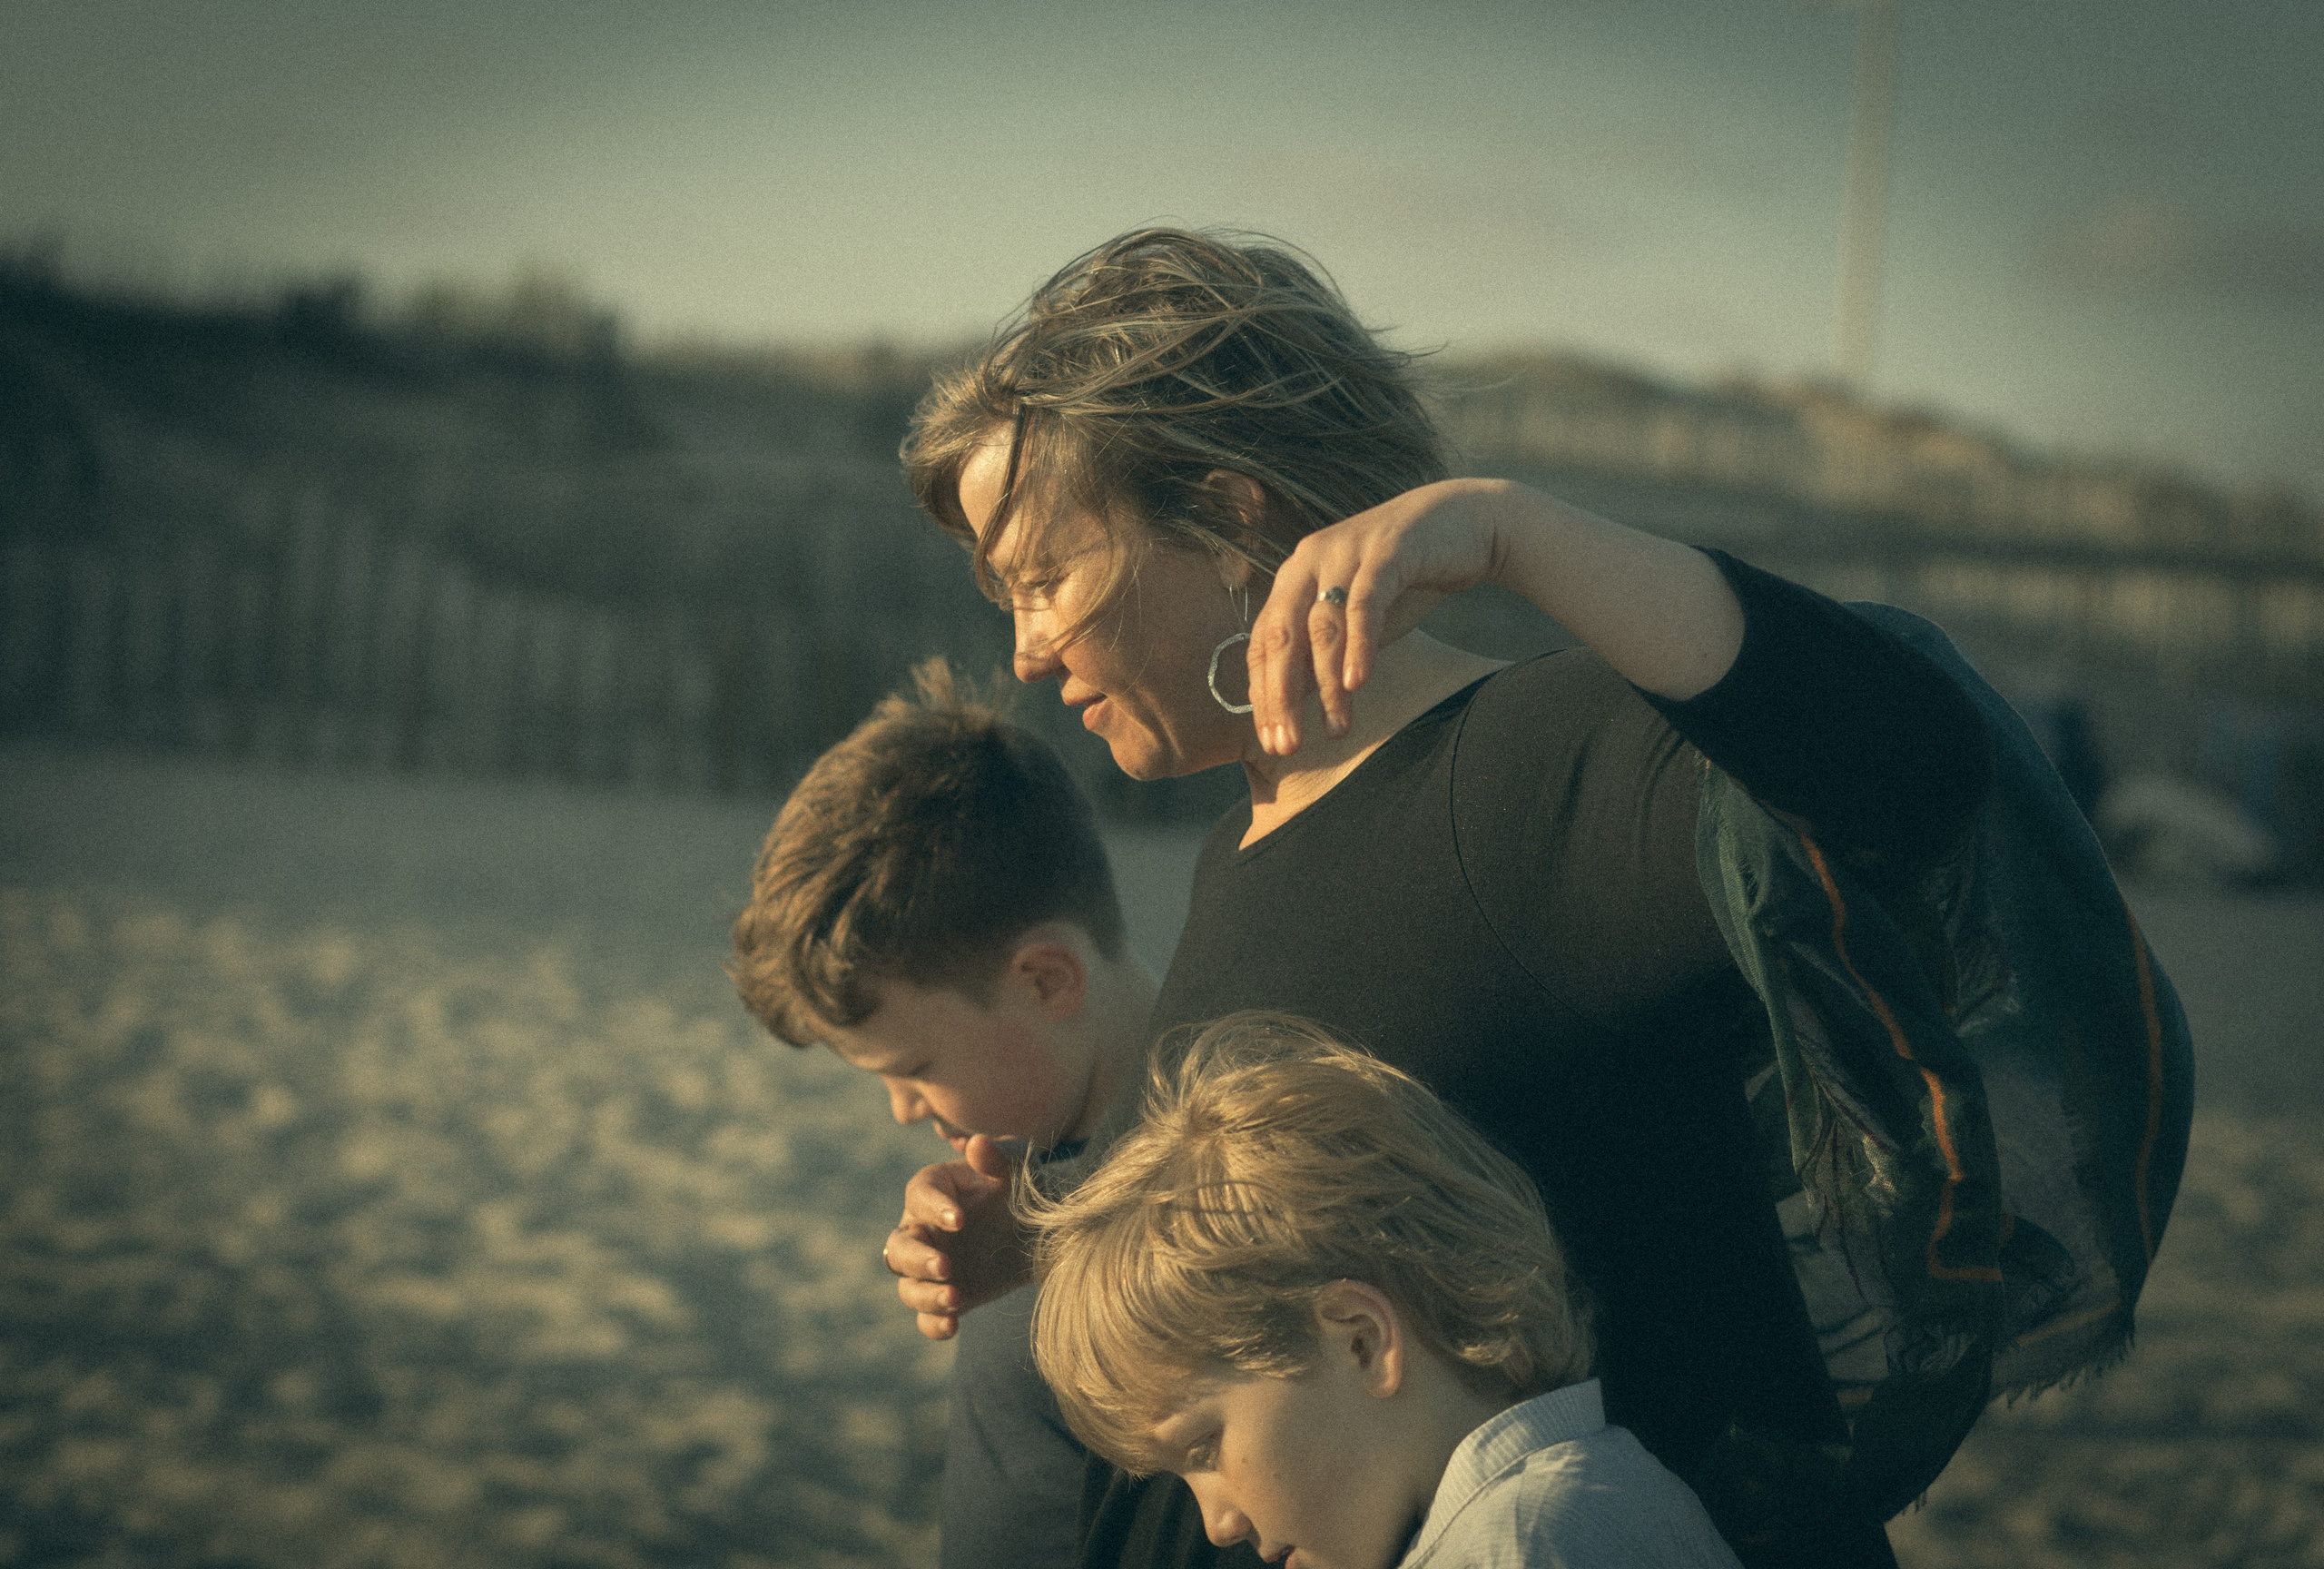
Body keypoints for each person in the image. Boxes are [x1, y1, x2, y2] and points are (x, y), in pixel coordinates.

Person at [881, 228, 2184, 1568]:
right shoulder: (1239, 857)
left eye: (1044, 578)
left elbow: (1907, 764)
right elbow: (1337, 1259)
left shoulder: (1531, 769)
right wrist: (1060, 1256)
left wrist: (1522, 533)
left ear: (1233, 516)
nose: (1029, 650)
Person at [1024, 1010, 1745, 1569]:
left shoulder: (1529, 1545)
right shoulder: (1590, 1501)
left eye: (1205, 1449)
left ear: (1362, 1341)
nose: (1218, 1523)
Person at [728, 657, 1154, 1569]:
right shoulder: (1036, 1179)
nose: (900, 1110)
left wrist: (1058, 1240)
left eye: (915, 1068)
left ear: (1046, 980)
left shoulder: (1220, 1180)